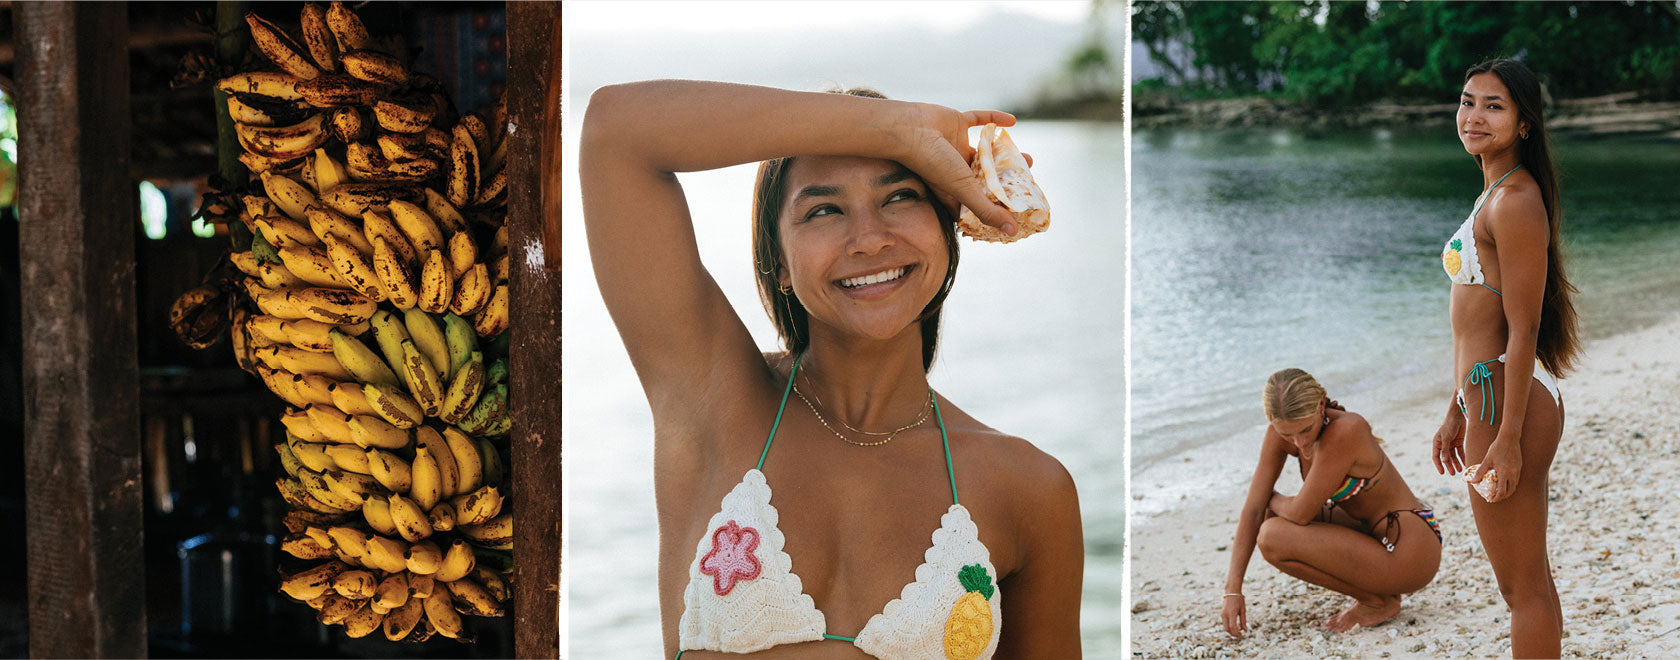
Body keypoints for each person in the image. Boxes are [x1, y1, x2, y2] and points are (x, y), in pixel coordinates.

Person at [579, 80, 1083, 659]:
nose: (869, 239)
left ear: (948, 230)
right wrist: (902, 128)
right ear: (779, 263)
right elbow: (615, 131)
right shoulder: (715, 404)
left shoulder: (1029, 490)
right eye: (823, 210)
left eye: (899, 197)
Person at [1432, 58, 1579, 658]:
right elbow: (1480, 322)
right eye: (1468, 101)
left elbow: (1523, 330)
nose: (1474, 116)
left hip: (1506, 403)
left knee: (1521, 591)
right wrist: (1455, 408)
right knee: (1533, 581)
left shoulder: (1515, 201)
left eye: (1494, 105)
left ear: (1524, 123)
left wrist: (1509, 436)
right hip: (1490, 397)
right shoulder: (1495, 193)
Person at [1221, 369, 1441, 638]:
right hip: (1371, 534)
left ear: (1321, 404)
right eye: (1287, 434)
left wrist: (1272, 497)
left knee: (1271, 535)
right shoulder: (1280, 434)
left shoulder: (1346, 430)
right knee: (1266, 518)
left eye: (1305, 429)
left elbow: (1301, 513)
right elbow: (1253, 510)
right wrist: (1233, 591)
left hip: (1410, 550)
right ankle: (1377, 595)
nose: (1299, 442)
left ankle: (1377, 602)